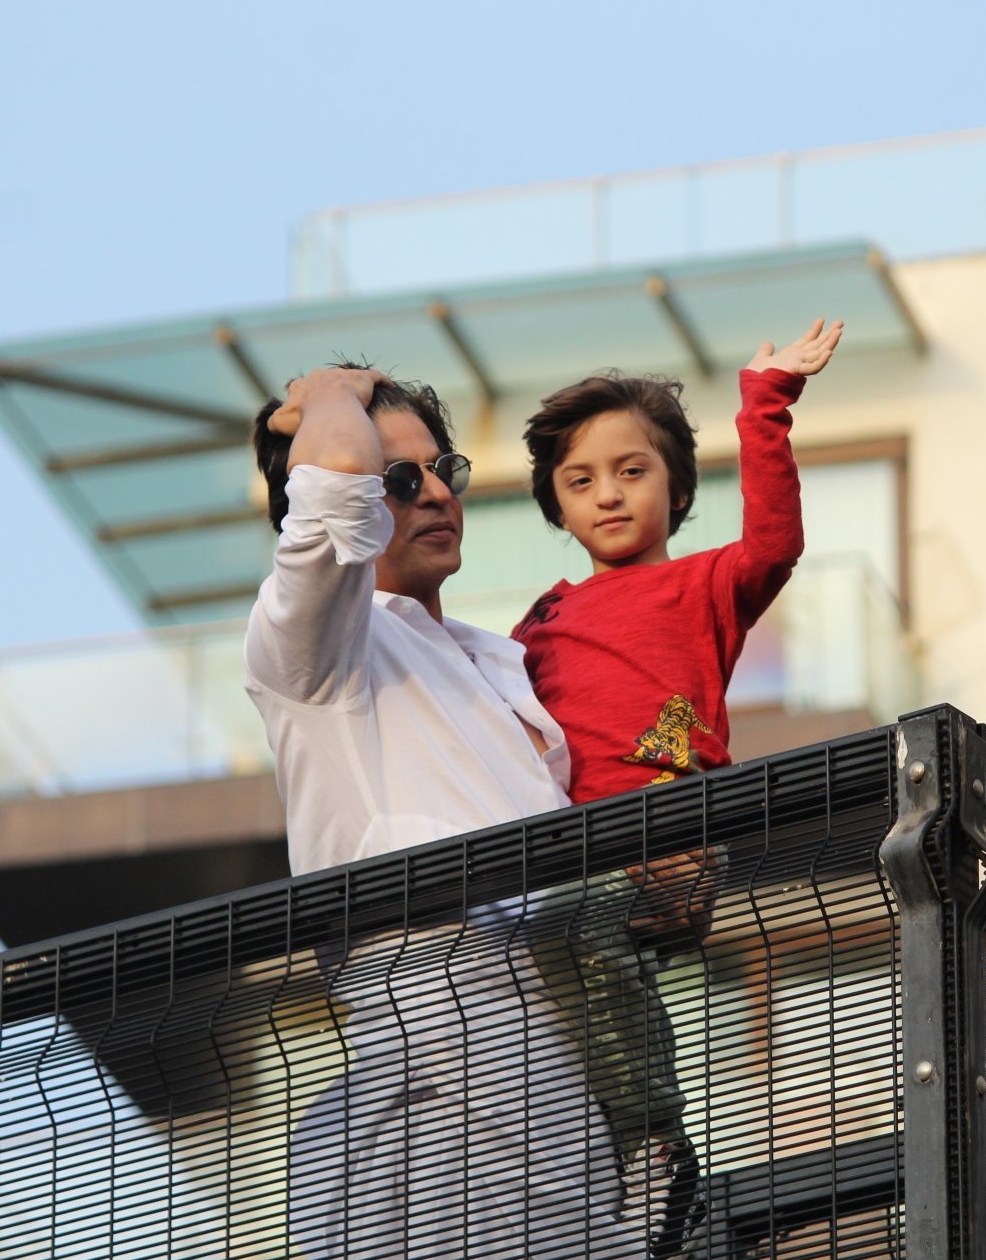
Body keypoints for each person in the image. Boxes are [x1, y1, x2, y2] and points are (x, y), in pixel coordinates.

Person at [244, 365, 653, 1259]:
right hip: (435, 1024)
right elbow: (327, 505)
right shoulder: (312, 650)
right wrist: (327, 393)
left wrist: (653, 889)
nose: (433, 492)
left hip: (563, 1036)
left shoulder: (498, 663)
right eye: (398, 478)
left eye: (442, 469)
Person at [510, 318, 843, 1248]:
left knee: (569, 930)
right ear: (556, 506)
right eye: (580, 482)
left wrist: (764, 399)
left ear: (677, 486)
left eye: (631, 470)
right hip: (574, 849)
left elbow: (775, 540)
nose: (606, 495)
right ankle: (606, 1168)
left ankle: (656, 1149)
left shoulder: (703, 586)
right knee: (551, 958)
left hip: (668, 832)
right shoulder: (543, 619)